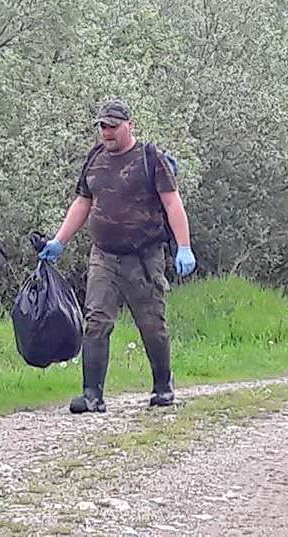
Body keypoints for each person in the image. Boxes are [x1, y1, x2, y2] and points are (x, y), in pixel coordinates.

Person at [39, 98, 196, 411]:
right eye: (103, 126)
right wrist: (60, 241)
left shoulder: (150, 158)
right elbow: (83, 203)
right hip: (104, 256)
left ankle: (163, 386)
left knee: (152, 323)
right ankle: (91, 395)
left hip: (144, 257)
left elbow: (172, 203)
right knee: (95, 320)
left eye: (113, 126)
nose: (107, 132)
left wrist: (184, 246)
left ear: (129, 125)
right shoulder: (95, 159)